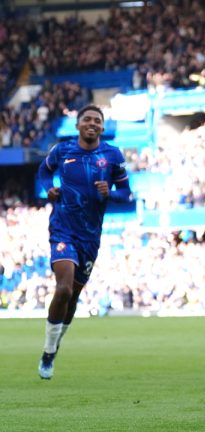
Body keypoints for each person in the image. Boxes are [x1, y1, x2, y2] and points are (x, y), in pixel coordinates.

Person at [37, 105, 133, 379]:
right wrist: (49, 189)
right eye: (87, 120)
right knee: (64, 289)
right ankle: (47, 352)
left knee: (74, 296)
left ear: (102, 128)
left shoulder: (112, 155)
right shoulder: (62, 150)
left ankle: (54, 346)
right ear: (77, 125)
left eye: (97, 121)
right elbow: (44, 173)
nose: (92, 124)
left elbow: (127, 193)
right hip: (63, 228)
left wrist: (110, 194)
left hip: (90, 236)